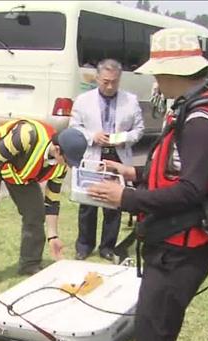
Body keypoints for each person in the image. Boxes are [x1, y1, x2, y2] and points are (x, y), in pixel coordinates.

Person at [86, 28, 208, 341]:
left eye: (159, 74)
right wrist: (130, 173)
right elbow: (172, 169)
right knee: (157, 318)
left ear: (178, 72)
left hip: (183, 244)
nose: (154, 82)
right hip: (169, 238)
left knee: (153, 324)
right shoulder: (189, 107)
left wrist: (127, 197)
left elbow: (193, 189)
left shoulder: (204, 119)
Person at [0, 124, 87, 293]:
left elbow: (52, 201)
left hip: (17, 171)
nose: (70, 166)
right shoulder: (27, 135)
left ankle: (30, 263)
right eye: (69, 161)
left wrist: (53, 236)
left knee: (35, 213)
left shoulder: (60, 165)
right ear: (57, 149)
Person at [69, 59, 144, 261]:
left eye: (114, 82)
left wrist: (123, 139)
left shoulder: (131, 100)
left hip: (117, 156)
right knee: (88, 202)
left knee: (114, 203)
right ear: (97, 78)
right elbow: (74, 126)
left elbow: (139, 130)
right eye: (105, 82)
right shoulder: (83, 100)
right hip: (93, 154)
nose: (110, 86)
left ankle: (107, 246)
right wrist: (92, 136)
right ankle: (84, 245)